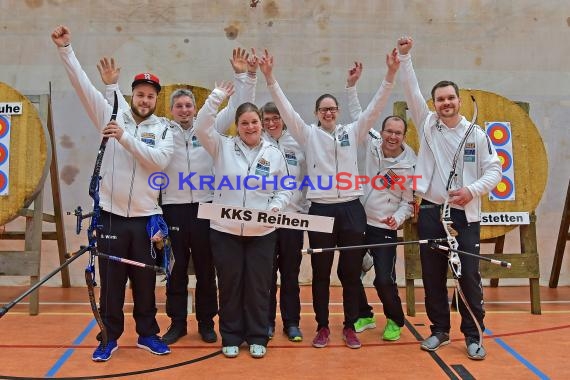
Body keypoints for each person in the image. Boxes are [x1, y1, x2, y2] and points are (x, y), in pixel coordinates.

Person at [97, 48, 258, 345]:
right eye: (179, 106)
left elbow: (239, 104)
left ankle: (207, 323)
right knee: (176, 270)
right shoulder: (164, 131)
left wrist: (244, 75)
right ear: (170, 111)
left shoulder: (208, 129)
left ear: (196, 109)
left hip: (207, 207)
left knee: (208, 271)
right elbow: (119, 114)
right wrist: (111, 88)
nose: (184, 110)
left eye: (188, 105)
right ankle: (177, 323)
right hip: (172, 209)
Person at [259, 48, 400, 349]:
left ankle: (350, 326)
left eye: (332, 108)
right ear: (316, 114)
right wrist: (270, 77)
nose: (328, 113)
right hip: (320, 211)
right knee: (321, 274)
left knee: (349, 274)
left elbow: (376, 107)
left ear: (338, 112)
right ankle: (322, 327)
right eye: (323, 109)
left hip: (351, 210)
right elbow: (285, 110)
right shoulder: (307, 135)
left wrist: (390, 75)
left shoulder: (353, 131)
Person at [51, 25, 174, 361]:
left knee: (146, 284)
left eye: (151, 95)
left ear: (156, 99)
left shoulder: (164, 129)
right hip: (111, 217)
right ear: (132, 95)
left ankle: (148, 335)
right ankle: (108, 336)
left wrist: (123, 137)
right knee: (112, 284)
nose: (145, 100)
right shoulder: (110, 115)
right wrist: (66, 50)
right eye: (140, 94)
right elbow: (83, 86)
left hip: (147, 220)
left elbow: (158, 162)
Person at [397, 36, 501, 360]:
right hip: (431, 212)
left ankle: (473, 335)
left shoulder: (477, 135)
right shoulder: (428, 125)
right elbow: (412, 92)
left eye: (450, 98)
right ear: (434, 103)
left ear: (458, 100)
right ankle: (439, 330)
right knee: (432, 276)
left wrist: (472, 190)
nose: (445, 103)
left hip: (464, 216)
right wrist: (405, 57)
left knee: (467, 274)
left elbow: (495, 171)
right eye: (439, 99)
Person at [195, 82, 293, 359]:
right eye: (244, 123)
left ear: (261, 124)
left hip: (262, 231)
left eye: (254, 122)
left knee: (259, 286)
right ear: (236, 126)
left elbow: (286, 188)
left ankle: (258, 336)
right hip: (225, 230)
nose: (250, 127)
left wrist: (275, 207)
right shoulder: (221, 146)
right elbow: (202, 126)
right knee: (229, 284)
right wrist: (217, 98)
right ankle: (231, 335)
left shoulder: (274, 154)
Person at [344, 66, 416, 340]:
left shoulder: (410, 165)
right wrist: (351, 87)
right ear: (382, 131)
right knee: (350, 273)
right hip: (361, 223)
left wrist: (396, 219)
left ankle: (395, 320)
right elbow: (360, 115)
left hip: (385, 228)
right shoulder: (373, 143)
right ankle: (363, 314)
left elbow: (408, 204)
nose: (392, 136)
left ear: (404, 136)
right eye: (388, 130)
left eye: (398, 132)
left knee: (383, 279)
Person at [260, 101, 309, 342]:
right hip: (267, 221)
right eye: (266, 119)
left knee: (290, 274)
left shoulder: (298, 142)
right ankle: (267, 322)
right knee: (266, 276)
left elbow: (308, 179)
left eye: (275, 118)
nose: (271, 123)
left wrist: (303, 209)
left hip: (293, 219)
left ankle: (292, 323)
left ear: (283, 119)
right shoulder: (258, 143)